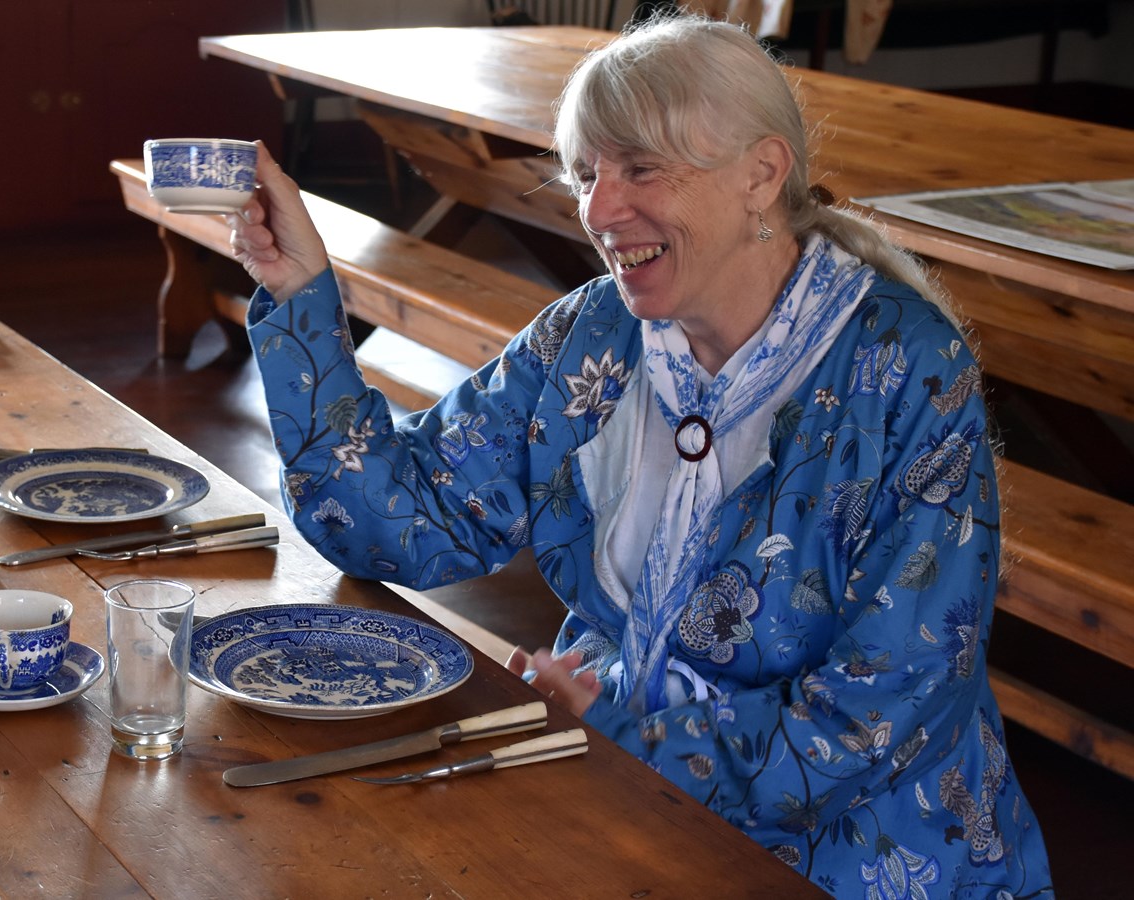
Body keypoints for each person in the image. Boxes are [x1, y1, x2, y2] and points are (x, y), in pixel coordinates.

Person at [228, 13, 1052, 897]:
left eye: (641, 169)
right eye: (587, 174)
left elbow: (886, 706)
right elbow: (406, 523)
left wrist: (623, 736)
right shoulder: (597, 332)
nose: (600, 209)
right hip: (609, 784)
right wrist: (305, 296)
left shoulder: (904, 370)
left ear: (761, 175)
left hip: (863, 849)